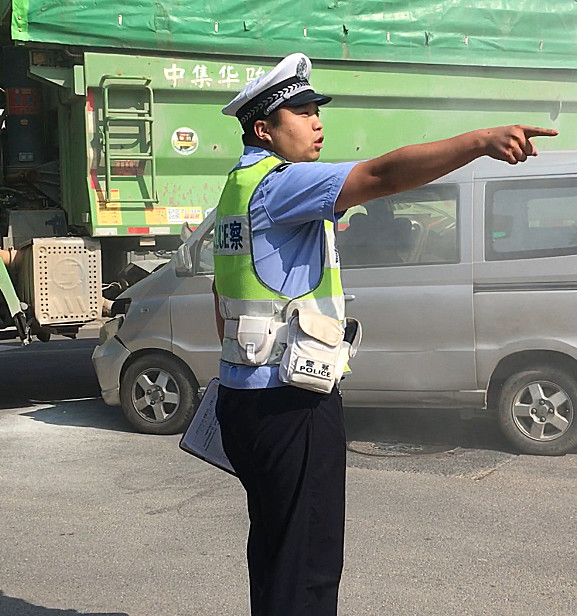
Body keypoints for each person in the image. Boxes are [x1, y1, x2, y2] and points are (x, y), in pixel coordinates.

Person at [212, 52, 556, 616]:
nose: (316, 121)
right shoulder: (281, 183)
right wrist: (478, 142)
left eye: (315, 110)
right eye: (299, 111)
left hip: (245, 399)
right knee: (310, 565)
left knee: (278, 552)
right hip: (291, 404)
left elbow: (222, 305)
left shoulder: (236, 187)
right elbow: (381, 175)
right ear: (263, 129)